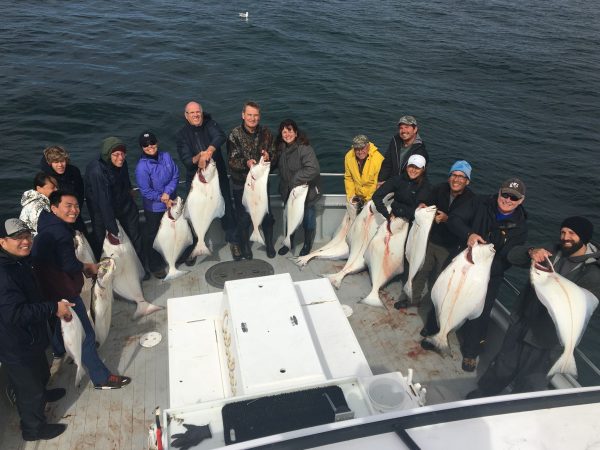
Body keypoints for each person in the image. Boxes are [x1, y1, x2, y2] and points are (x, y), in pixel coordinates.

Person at [467, 217, 600, 398]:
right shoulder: (551, 250)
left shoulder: (593, 273)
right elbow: (512, 255)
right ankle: (484, 394)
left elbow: (585, 309)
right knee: (503, 365)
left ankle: (517, 410)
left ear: (584, 237)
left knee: (531, 381)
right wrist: (531, 252)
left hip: (548, 338)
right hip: (522, 323)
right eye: (563, 232)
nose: (565, 237)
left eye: (572, 233)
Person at [422, 178, 528, 372]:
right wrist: (469, 234)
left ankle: (470, 353)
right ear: (499, 192)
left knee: (480, 313)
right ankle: (433, 331)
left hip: (488, 275)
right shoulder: (479, 203)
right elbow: (454, 219)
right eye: (505, 194)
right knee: (442, 296)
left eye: (514, 197)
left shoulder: (520, 227)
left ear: (520, 201)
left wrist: (485, 262)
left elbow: (508, 257)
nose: (508, 200)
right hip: (462, 259)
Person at [32, 190, 132, 390]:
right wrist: (87, 267)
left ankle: (60, 352)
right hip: (65, 293)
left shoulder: (45, 224)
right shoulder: (61, 233)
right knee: (86, 335)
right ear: (54, 207)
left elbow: (61, 259)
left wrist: (84, 266)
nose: (74, 210)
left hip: (45, 289)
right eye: (68, 206)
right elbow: (70, 266)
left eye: (77, 206)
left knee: (59, 327)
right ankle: (101, 378)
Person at [0, 218, 71, 441]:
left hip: (31, 337)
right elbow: (15, 314)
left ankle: (44, 395)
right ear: (2, 241)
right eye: (17, 237)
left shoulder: (18, 262)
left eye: (28, 236)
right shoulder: (4, 274)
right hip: (16, 344)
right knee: (28, 390)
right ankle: (34, 429)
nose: (25, 241)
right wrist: (53, 308)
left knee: (40, 372)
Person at [395, 160, 475, 309]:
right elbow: (427, 201)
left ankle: (434, 308)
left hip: (450, 247)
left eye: (461, 177)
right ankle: (412, 298)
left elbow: (466, 227)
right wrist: (423, 205)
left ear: (467, 181)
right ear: (449, 177)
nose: (456, 179)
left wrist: (447, 220)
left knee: (439, 278)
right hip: (430, 240)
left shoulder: (471, 201)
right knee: (420, 271)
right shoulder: (440, 189)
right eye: (453, 175)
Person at [176, 101, 240, 261]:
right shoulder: (182, 135)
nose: (196, 115)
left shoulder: (210, 124)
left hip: (217, 177)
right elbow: (187, 160)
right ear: (186, 116)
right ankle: (195, 246)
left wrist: (209, 151)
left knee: (227, 209)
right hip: (196, 180)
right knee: (192, 213)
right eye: (192, 113)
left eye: (198, 112)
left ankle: (233, 241)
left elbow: (220, 136)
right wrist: (199, 157)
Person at [227, 101, 277, 259]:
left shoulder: (267, 133)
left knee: (267, 215)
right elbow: (232, 161)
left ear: (259, 116)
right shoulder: (234, 134)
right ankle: (245, 246)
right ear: (243, 115)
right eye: (249, 115)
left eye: (255, 115)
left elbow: (274, 155)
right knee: (243, 217)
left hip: (261, 184)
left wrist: (269, 158)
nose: (252, 118)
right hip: (241, 184)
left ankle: (269, 244)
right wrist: (246, 163)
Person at [84, 137, 144, 265]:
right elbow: (103, 202)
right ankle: (105, 273)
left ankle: (139, 266)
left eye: (123, 153)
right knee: (103, 243)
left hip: (123, 204)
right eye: (116, 154)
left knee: (135, 236)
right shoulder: (97, 172)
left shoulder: (122, 162)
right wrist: (113, 230)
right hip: (101, 211)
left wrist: (130, 190)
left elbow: (126, 180)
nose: (121, 157)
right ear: (108, 154)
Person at [273, 119, 321, 256]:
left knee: (308, 220)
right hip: (289, 193)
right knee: (290, 218)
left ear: (296, 132)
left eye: (290, 131)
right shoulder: (281, 147)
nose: (287, 134)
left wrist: (295, 180)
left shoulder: (304, 148)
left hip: (305, 193)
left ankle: (307, 244)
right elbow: (275, 163)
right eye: (284, 131)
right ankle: (289, 242)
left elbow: (313, 169)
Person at [135, 131, 179, 279]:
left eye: (152, 143)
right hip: (154, 209)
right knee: (155, 237)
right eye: (146, 145)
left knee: (176, 232)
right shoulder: (142, 167)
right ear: (142, 147)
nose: (150, 147)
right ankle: (155, 265)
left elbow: (175, 175)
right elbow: (146, 191)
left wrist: (168, 192)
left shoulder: (166, 156)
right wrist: (162, 198)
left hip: (172, 203)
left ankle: (177, 256)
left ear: (157, 143)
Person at [371, 154, 432, 223]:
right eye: (411, 166)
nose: (413, 170)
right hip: (393, 217)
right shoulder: (397, 180)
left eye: (417, 168)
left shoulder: (426, 186)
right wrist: (387, 215)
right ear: (407, 167)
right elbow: (376, 196)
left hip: (411, 222)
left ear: (423, 169)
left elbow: (418, 209)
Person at [378, 115, 429, 184]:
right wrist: (380, 181)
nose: (403, 131)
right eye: (401, 128)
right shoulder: (395, 141)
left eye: (407, 127)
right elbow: (387, 163)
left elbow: (416, 176)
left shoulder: (420, 151)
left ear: (415, 129)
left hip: (406, 186)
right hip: (391, 181)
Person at [344, 135, 384, 209]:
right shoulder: (348, 157)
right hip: (356, 198)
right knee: (350, 219)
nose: (360, 152)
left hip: (372, 199)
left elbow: (377, 184)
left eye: (362, 148)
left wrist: (367, 201)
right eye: (357, 149)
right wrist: (351, 197)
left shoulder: (378, 159)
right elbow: (348, 178)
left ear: (368, 146)